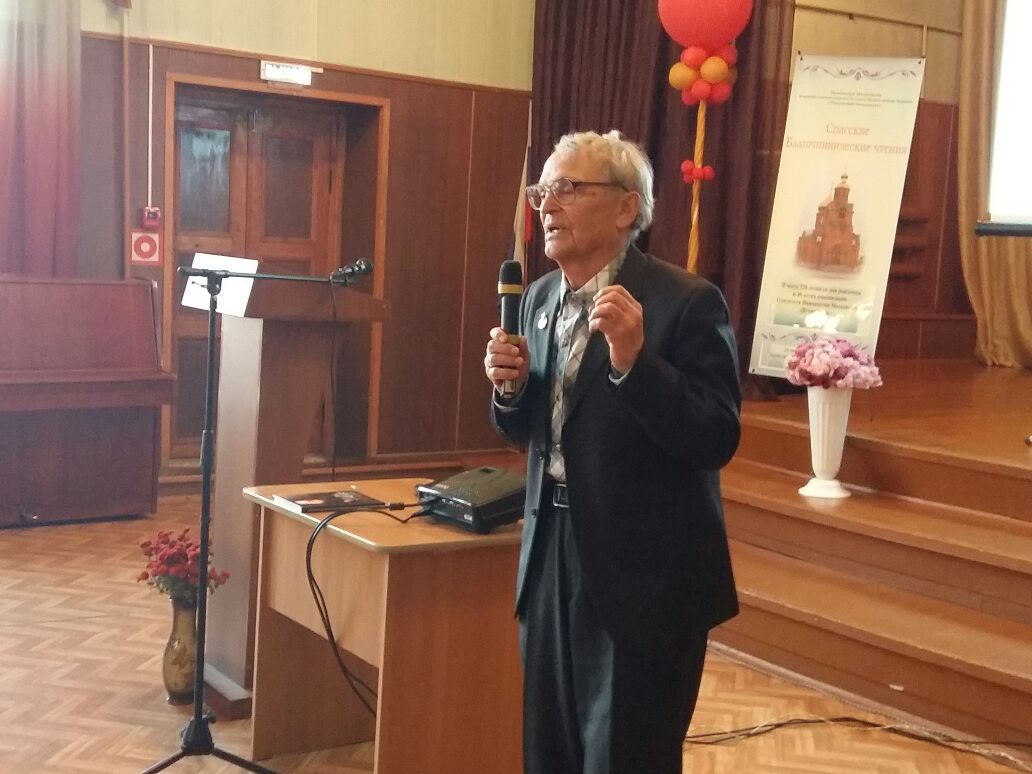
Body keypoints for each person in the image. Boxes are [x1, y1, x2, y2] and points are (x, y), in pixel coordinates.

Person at [483, 130, 741, 774]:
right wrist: (510, 390)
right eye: (543, 191)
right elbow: (539, 433)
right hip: (550, 555)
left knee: (626, 755)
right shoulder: (538, 299)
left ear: (627, 207)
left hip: (644, 575)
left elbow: (716, 436)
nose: (547, 206)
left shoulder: (685, 301)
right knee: (551, 750)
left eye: (568, 189)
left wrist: (634, 363)